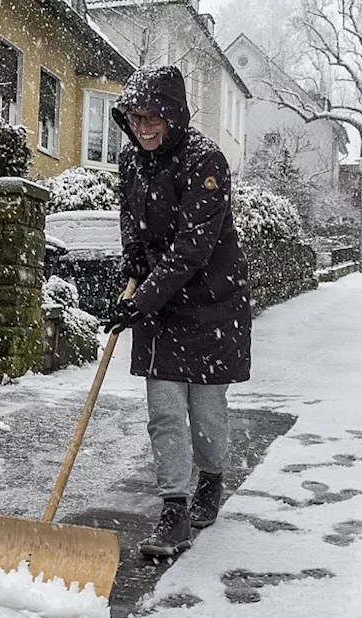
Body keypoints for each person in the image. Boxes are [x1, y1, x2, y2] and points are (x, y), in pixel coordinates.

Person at [102, 65, 252, 557]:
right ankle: (174, 509)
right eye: (135, 117)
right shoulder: (131, 162)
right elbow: (132, 223)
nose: (143, 127)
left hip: (211, 302)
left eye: (153, 117)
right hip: (161, 307)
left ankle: (211, 477)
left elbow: (193, 248)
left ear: (172, 115)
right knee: (165, 412)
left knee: (205, 413)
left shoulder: (206, 160)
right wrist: (130, 274)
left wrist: (142, 300)